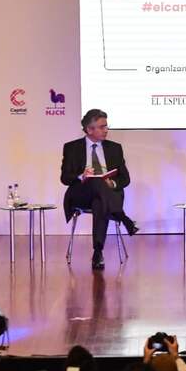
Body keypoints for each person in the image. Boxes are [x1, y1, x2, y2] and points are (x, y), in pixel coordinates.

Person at [60, 109, 137, 270]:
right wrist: (81, 176)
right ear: (89, 130)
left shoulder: (114, 148)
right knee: (95, 183)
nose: (106, 130)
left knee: (99, 199)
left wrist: (112, 184)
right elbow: (65, 178)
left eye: (106, 126)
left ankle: (97, 251)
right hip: (80, 193)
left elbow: (125, 179)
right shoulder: (71, 148)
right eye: (102, 127)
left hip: (104, 197)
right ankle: (122, 217)